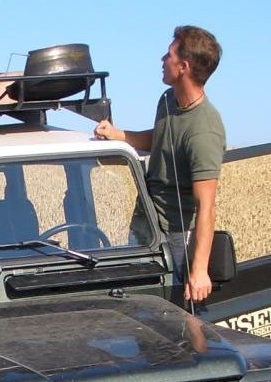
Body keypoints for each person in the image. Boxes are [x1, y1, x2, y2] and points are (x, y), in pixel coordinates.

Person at [94, 25, 225, 305]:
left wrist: (199, 270)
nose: (161, 61)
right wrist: (119, 137)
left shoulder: (204, 132)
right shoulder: (168, 101)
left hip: (175, 235)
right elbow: (162, 137)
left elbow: (207, 207)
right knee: (135, 305)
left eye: (168, 56)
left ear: (183, 67)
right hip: (145, 224)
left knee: (173, 313)